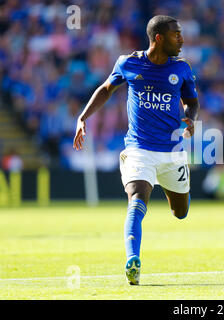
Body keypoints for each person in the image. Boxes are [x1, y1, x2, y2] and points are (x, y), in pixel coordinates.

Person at [72, 16, 200, 285]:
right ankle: (133, 260)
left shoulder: (182, 69)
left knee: (181, 212)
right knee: (137, 199)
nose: (182, 40)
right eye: (177, 35)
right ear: (159, 38)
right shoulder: (128, 63)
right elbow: (106, 89)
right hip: (139, 149)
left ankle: (171, 192)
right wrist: (83, 117)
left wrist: (191, 118)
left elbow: (191, 102)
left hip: (173, 152)